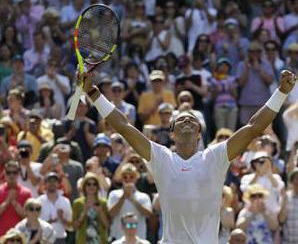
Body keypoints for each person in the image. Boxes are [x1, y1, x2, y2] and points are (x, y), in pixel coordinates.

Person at [79, 68, 297, 243]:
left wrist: (281, 93)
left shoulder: (216, 156)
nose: (186, 120)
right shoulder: (161, 157)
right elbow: (124, 127)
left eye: (192, 119)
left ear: (199, 133)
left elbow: (253, 127)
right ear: (171, 134)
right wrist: (93, 93)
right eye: (180, 120)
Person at [0, 160, 32, 243]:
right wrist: (7, 202)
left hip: (19, 239)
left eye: (14, 172)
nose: (11, 175)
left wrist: (15, 203)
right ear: (4, 173)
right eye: (8, 173)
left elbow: (28, 217)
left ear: (18, 173)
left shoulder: (26, 192)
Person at [108, 163, 152, 240]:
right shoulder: (114, 194)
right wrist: (123, 197)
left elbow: (148, 215)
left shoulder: (144, 196)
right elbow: (111, 214)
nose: (128, 179)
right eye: (125, 177)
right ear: (121, 178)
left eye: (131, 177)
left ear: (136, 178)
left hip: (139, 239)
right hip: (118, 238)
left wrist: (132, 199)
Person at [72, 172, 109, 244]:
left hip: (100, 241)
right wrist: (83, 213)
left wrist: (101, 212)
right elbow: (74, 227)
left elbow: (107, 225)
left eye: (94, 184)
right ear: (84, 186)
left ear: (97, 187)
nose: (91, 186)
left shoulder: (103, 203)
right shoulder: (77, 203)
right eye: (88, 184)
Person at [38, 172, 72, 244]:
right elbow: (35, 223)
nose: (52, 183)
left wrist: (62, 218)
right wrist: (48, 222)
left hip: (60, 238)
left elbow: (70, 226)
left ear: (59, 184)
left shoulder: (65, 201)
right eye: (49, 181)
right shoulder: (39, 201)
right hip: (44, 239)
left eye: (54, 181)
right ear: (45, 184)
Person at [278, 167, 298, 244]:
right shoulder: (286, 197)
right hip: (288, 241)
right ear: (292, 181)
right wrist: (284, 202)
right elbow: (281, 220)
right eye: (296, 178)